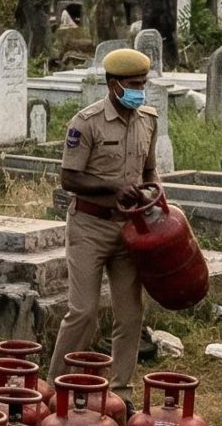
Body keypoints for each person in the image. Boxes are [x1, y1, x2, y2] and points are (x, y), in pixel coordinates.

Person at [48, 47, 160, 397]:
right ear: (113, 85)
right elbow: (69, 178)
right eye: (132, 84)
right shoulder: (87, 122)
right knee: (83, 311)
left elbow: (149, 170)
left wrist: (153, 193)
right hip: (90, 226)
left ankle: (120, 388)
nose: (139, 90)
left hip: (130, 229)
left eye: (143, 83)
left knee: (129, 315)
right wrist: (113, 187)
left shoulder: (148, 120)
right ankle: (55, 384)